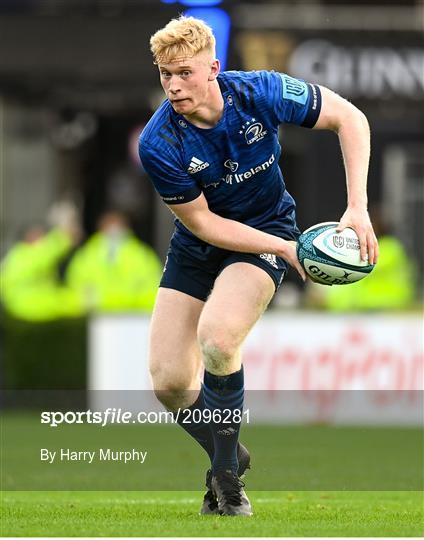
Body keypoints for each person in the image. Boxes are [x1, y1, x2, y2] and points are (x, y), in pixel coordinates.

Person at [139, 16, 378, 516]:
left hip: (267, 233)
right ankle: (230, 452)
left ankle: (226, 479)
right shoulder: (159, 143)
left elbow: (350, 119)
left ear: (213, 67)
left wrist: (356, 206)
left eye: (184, 72)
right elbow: (203, 224)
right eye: (165, 74)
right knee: (167, 383)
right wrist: (290, 251)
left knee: (220, 339)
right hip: (201, 244)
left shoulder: (261, 91)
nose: (173, 85)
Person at [65, 211, 162, 313]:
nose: (113, 231)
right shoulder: (86, 255)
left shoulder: (141, 255)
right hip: (96, 318)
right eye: (110, 226)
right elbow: (74, 289)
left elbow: (155, 288)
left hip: (134, 318)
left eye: (117, 226)